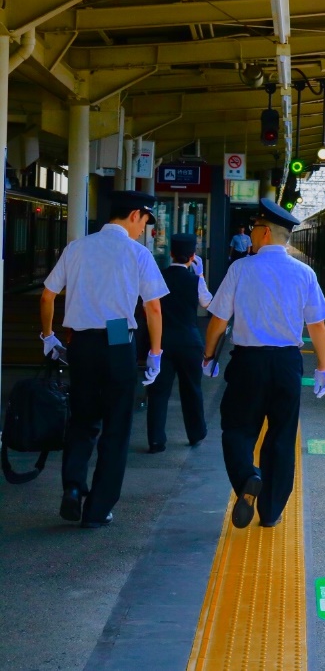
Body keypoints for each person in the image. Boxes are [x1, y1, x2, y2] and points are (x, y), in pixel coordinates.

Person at [39, 190, 168, 528]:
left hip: (80, 343)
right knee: (116, 428)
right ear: (135, 215)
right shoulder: (137, 252)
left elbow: (48, 295)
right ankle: (98, 509)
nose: (145, 229)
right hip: (115, 339)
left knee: (82, 420)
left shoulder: (77, 247)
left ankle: (72, 487)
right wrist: (155, 352)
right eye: (145, 221)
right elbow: (153, 307)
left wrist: (48, 335)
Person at [202, 199, 325, 529]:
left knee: (237, 429)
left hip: (249, 363)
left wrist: (208, 355)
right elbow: (316, 324)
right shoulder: (304, 273)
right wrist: (323, 366)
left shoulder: (241, 269)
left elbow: (218, 320)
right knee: (281, 436)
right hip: (288, 363)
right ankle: (271, 512)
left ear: (263, 233)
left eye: (254, 229)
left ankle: (247, 477)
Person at [146, 233, 212, 452]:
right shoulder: (194, 280)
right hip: (189, 342)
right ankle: (195, 433)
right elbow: (208, 303)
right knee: (191, 389)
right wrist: (200, 275)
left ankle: (156, 440)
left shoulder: (158, 277)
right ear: (192, 257)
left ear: (171, 253)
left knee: (158, 391)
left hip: (161, 341)